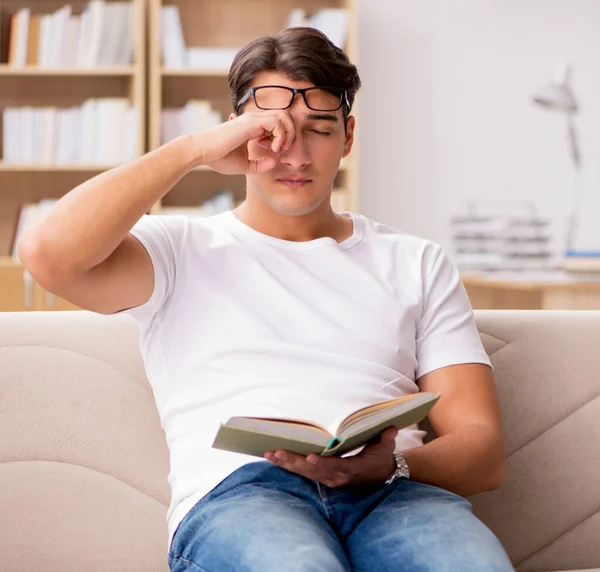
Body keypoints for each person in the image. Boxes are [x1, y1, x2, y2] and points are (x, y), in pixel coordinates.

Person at [18, 27, 515, 572]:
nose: (294, 155)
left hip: (393, 493)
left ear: (347, 137)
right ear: (237, 133)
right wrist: (192, 151)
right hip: (245, 496)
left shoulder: (416, 262)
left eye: (317, 130)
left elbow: (482, 450)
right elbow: (46, 253)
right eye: (271, 132)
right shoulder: (179, 249)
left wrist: (388, 465)